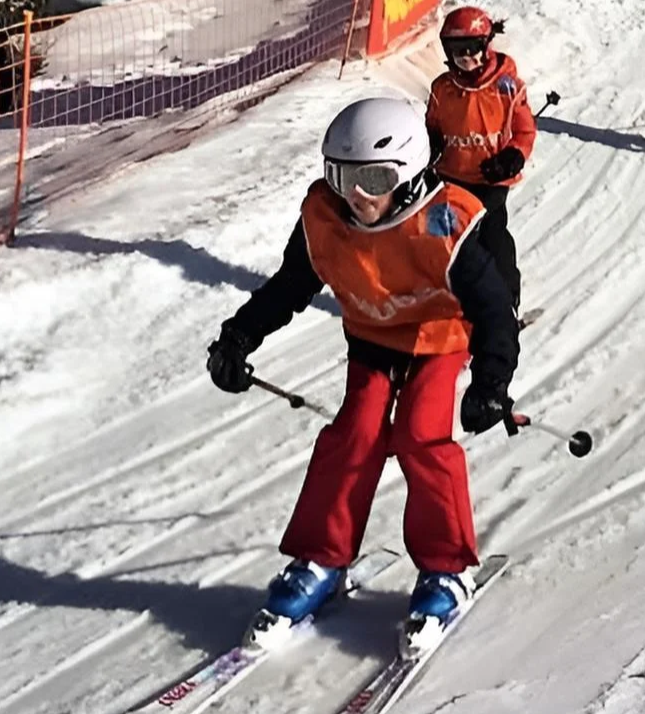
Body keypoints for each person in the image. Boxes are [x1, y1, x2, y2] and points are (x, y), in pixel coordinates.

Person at [206, 97, 520, 652]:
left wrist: (491, 380)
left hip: (436, 340)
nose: (356, 193)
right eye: (341, 175)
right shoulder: (326, 219)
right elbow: (289, 287)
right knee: (354, 437)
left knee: (422, 435)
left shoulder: (447, 222)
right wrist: (238, 336)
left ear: (409, 174)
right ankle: (323, 560)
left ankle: (446, 568)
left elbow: (496, 309)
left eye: (373, 178)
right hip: (373, 341)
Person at [425, 7, 537, 313]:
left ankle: (504, 299)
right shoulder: (443, 89)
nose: (463, 57)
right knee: (444, 236)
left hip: (491, 178)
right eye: (455, 50)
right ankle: (451, 299)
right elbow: (433, 127)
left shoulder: (507, 86)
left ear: (486, 46)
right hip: (452, 175)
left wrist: (513, 156)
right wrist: (429, 149)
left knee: (489, 233)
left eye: (471, 49)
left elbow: (524, 129)